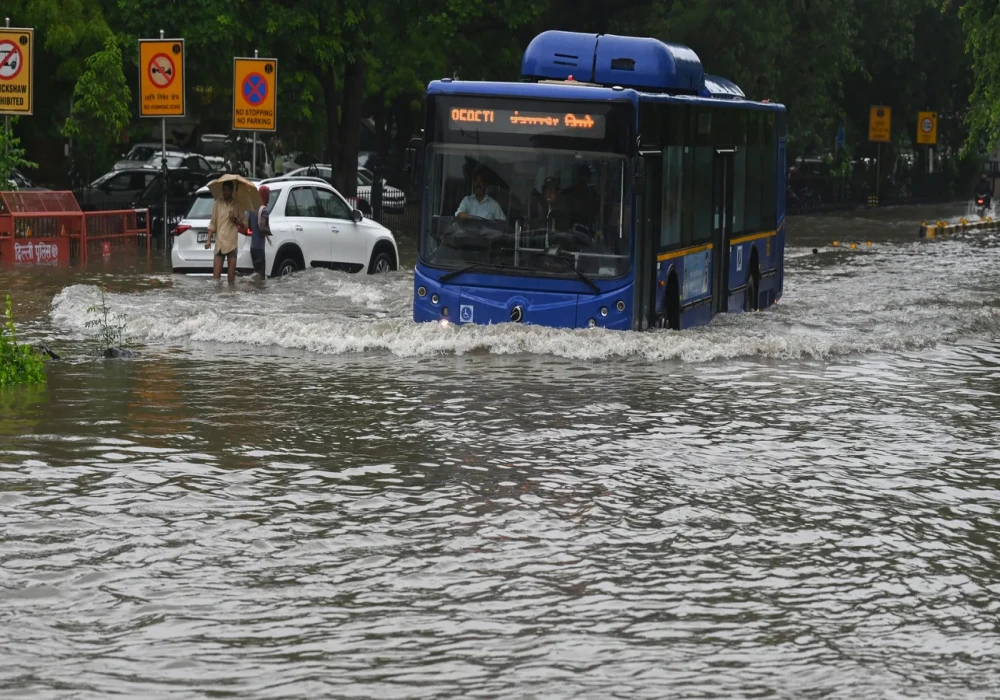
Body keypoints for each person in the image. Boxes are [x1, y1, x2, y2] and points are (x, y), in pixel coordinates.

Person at [204, 181, 246, 284]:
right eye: (224, 190)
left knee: (231, 280)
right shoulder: (217, 204)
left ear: (232, 191)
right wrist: (208, 240)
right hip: (220, 244)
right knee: (216, 280)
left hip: (232, 244)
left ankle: (231, 299)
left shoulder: (237, 205)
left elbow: (245, 224)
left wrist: (235, 219)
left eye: (228, 190)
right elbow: (212, 223)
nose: (226, 192)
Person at [248, 184, 272, 279]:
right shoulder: (264, 210)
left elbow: (249, 224)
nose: (269, 197)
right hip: (260, 248)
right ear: (265, 195)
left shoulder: (253, 208)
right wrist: (268, 231)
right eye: (268, 195)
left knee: (256, 273)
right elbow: (262, 228)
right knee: (261, 277)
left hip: (253, 248)